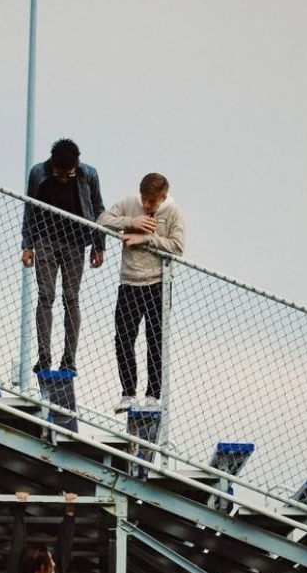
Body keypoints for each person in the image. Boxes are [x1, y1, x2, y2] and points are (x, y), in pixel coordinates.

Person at [97, 173, 186, 413]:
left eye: (151, 202)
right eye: (144, 199)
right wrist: (131, 223)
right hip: (129, 282)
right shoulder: (129, 203)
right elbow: (103, 220)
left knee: (155, 339)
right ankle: (128, 393)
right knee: (123, 338)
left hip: (158, 283)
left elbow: (178, 246)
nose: (146, 205)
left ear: (163, 197)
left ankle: (153, 396)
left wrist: (146, 239)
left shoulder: (173, 211)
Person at [21, 139, 106, 375]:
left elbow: (98, 207)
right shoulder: (38, 173)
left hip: (76, 243)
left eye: (68, 175)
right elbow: (29, 208)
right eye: (59, 174)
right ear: (52, 165)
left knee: (71, 298)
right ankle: (44, 358)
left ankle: (69, 360)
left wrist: (99, 245)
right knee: (45, 295)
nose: (63, 179)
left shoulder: (88, 174)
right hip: (45, 240)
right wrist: (28, 245)